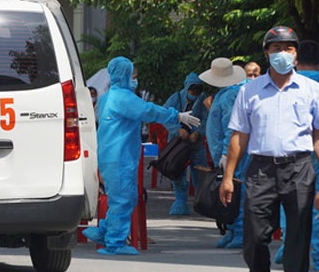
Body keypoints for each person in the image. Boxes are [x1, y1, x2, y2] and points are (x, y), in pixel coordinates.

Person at [219, 26, 319, 272]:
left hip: (299, 169)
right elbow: (239, 136)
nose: (282, 53)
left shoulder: (312, 90)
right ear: (267, 54)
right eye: (276, 48)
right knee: (254, 237)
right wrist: (228, 176)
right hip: (260, 170)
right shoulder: (249, 91)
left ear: (296, 55)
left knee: (298, 239)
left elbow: (318, 138)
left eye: (288, 48)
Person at [82, 56, 200, 255]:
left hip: (109, 155)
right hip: (121, 156)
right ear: (125, 75)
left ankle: (105, 231)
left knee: (119, 197)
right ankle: (115, 243)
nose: (134, 80)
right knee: (124, 198)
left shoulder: (106, 97)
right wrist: (177, 116)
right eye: (133, 76)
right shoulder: (124, 98)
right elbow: (148, 111)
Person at [274, 39, 319, 269]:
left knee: (290, 202)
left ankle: (288, 247)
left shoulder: (284, 87)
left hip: (292, 155)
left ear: (296, 61)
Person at [199, 57, 247, 249]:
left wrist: (227, 154)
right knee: (229, 192)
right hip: (224, 153)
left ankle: (240, 232)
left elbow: (231, 128)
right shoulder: (225, 94)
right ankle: (233, 230)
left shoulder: (230, 96)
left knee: (235, 191)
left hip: (232, 154)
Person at [163, 72, 208, 215]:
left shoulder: (203, 99)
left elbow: (207, 119)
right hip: (177, 143)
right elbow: (164, 115)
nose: (194, 93)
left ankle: (202, 202)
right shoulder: (175, 98)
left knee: (200, 172)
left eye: (197, 90)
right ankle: (180, 202)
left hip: (196, 143)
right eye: (192, 89)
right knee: (177, 171)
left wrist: (198, 132)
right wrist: (177, 130)